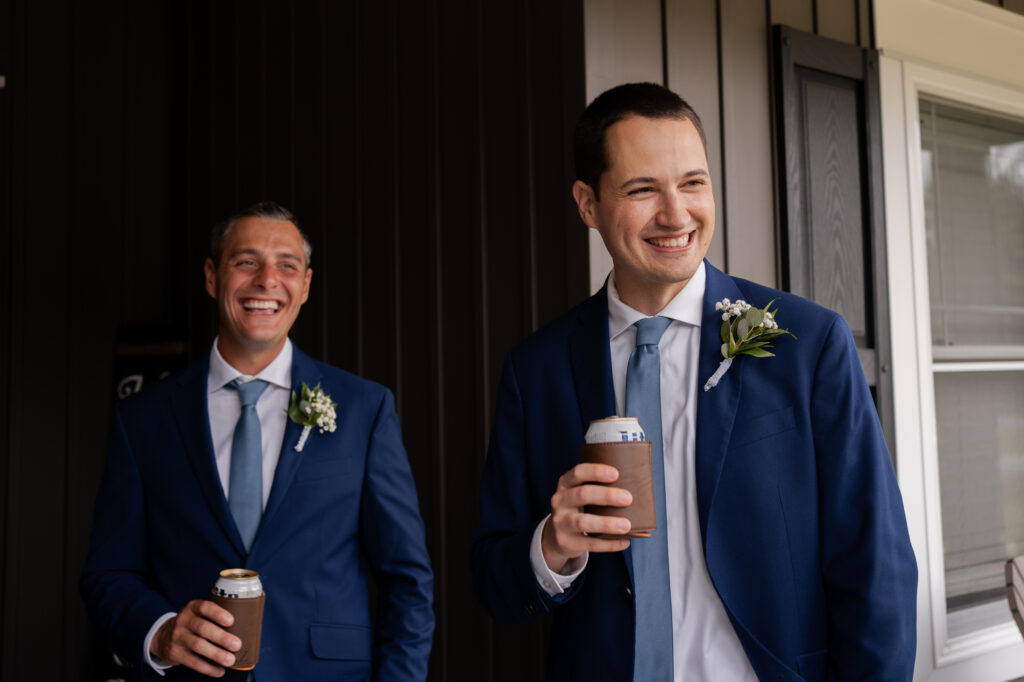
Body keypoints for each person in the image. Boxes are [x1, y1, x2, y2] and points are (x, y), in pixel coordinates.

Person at [470, 83, 916, 681]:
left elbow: (876, 564)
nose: (676, 214)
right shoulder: (536, 370)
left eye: (693, 183)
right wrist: (552, 546)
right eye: (642, 189)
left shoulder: (807, 344)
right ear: (587, 203)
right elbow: (496, 583)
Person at [81, 202, 434, 681]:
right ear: (212, 277)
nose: (267, 280)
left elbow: (407, 580)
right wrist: (160, 632)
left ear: (305, 285)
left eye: (286, 265)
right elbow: (108, 574)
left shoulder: (364, 409)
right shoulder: (142, 418)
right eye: (245, 261)